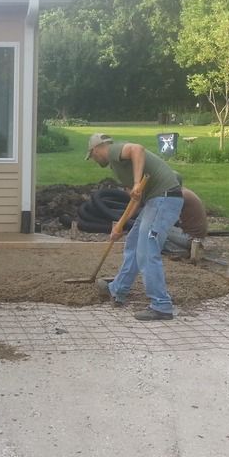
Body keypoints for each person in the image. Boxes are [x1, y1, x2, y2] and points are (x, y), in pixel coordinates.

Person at [86, 133, 184, 321]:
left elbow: (137, 148)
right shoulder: (119, 165)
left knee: (147, 249)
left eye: (92, 156)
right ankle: (118, 289)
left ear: (96, 149)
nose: (94, 160)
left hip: (163, 199)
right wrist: (120, 226)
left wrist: (137, 182)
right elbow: (135, 199)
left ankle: (161, 306)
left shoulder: (115, 151)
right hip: (154, 201)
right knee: (133, 242)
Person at [163, 186, 208, 255]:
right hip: (198, 236)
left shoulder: (179, 196)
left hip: (190, 238)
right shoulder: (186, 192)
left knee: (156, 230)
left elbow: (167, 218)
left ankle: (180, 251)